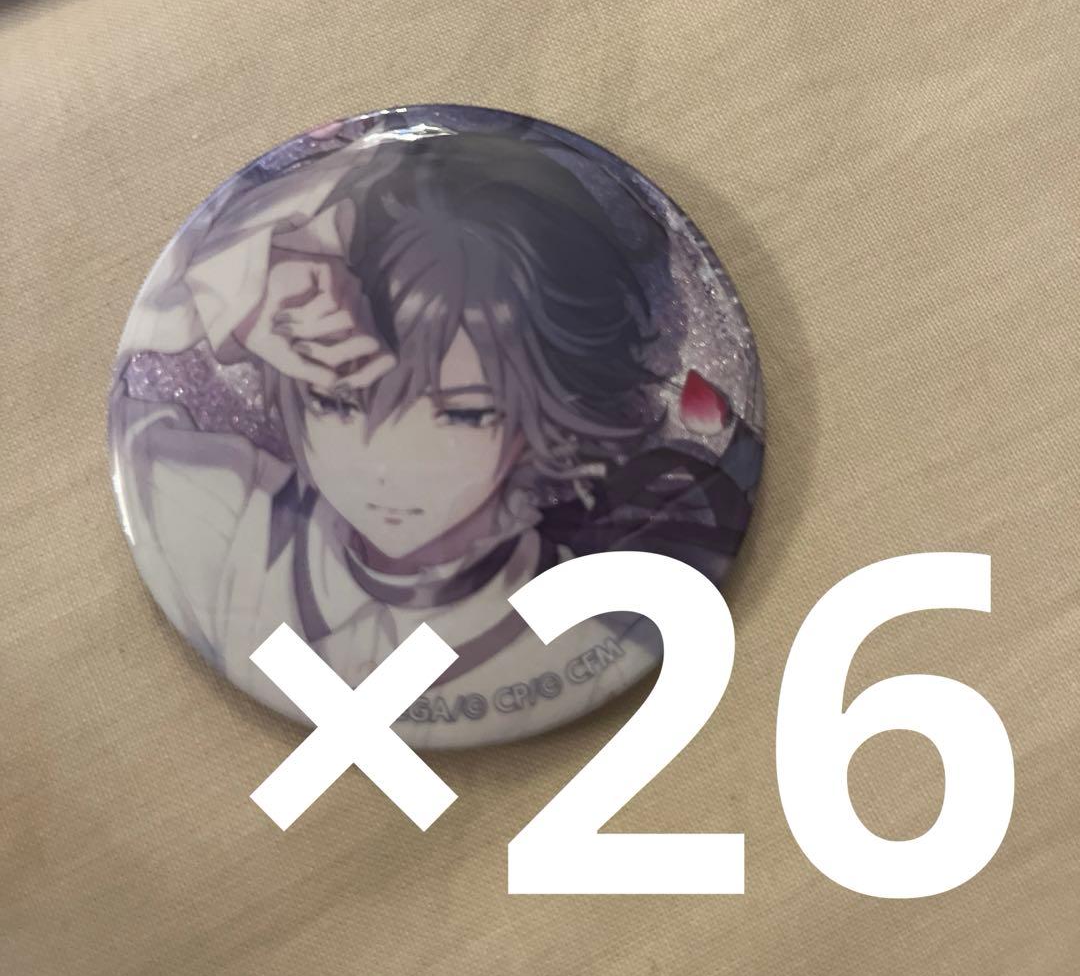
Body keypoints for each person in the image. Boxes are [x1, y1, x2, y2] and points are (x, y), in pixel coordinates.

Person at [110, 127, 760, 745]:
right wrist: (248, 282)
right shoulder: (226, 515)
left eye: (464, 414)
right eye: (336, 402)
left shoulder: (584, 632)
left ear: (543, 417)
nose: (386, 464)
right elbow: (143, 357)